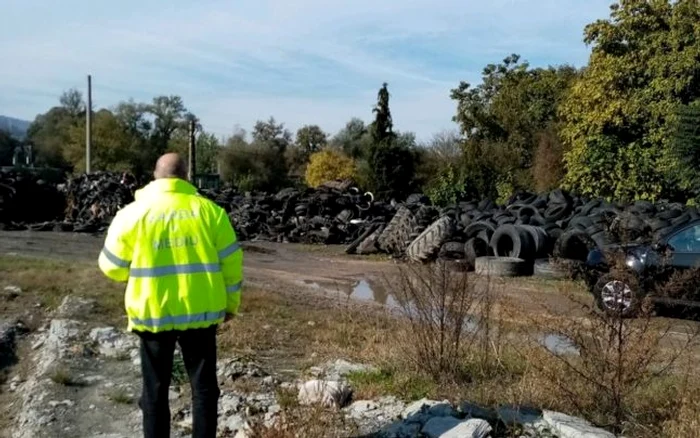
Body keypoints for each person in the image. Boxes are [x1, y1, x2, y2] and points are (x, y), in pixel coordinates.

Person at [98, 153, 243, 438]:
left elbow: (111, 266)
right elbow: (232, 263)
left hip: (153, 313)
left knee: (154, 390)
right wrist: (231, 305)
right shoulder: (211, 213)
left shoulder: (132, 214)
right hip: (201, 314)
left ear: (155, 175)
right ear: (187, 176)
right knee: (204, 390)